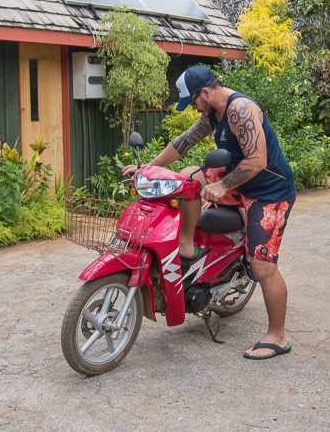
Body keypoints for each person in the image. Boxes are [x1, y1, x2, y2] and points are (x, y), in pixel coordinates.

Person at [123, 65, 297, 360]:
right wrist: (148, 169)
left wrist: (221, 186)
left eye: (193, 102)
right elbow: (183, 143)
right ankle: (187, 244)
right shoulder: (212, 114)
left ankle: (277, 336)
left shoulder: (240, 109)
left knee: (263, 266)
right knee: (188, 178)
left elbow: (257, 160)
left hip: (269, 191)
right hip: (238, 180)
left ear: (205, 93)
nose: (193, 109)